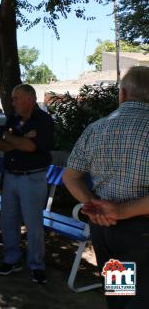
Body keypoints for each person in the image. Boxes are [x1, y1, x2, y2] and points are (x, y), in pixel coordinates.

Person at [63, 66, 149, 309]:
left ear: (122, 94)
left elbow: (71, 177)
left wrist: (93, 205)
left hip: (106, 232)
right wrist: (120, 211)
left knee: (119, 296)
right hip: (142, 233)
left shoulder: (97, 128)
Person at [0, 84, 53, 284]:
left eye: (15, 98)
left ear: (29, 99)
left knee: (33, 224)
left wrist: (11, 138)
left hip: (33, 178)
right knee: (8, 221)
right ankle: (12, 260)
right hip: (11, 176)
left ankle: (36, 265)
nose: (12, 102)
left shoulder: (43, 121)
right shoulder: (13, 119)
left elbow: (29, 147)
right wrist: (17, 138)